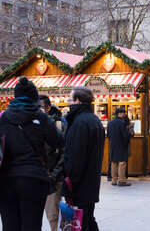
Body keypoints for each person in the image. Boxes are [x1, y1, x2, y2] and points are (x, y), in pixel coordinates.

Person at [0, 77, 61, 231]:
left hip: (6, 180)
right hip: (34, 179)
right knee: (32, 225)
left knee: (9, 225)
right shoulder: (41, 117)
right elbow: (59, 141)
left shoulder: (3, 117)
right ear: (34, 97)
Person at [62, 86, 105, 231]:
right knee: (88, 218)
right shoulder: (94, 120)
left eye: (70, 98)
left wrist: (69, 183)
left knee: (80, 222)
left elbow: (75, 157)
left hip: (80, 185)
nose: (68, 101)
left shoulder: (80, 123)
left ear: (77, 101)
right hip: (90, 182)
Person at [39, 95, 66, 231]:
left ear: (48, 108)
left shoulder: (59, 124)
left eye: (40, 107)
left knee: (53, 215)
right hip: (36, 176)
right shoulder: (32, 125)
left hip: (52, 177)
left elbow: (64, 153)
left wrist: (54, 175)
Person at [107, 107, 131, 186]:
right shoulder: (122, 123)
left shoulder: (110, 122)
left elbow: (108, 135)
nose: (124, 115)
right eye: (123, 113)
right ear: (120, 114)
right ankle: (121, 181)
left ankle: (114, 180)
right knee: (122, 162)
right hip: (121, 144)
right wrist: (129, 134)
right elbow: (125, 135)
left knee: (113, 162)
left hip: (112, 145)